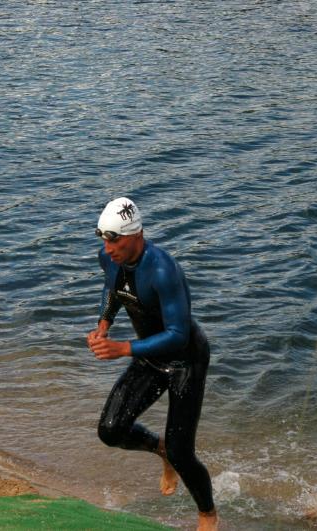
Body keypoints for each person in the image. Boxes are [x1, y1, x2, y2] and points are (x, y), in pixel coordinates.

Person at [86, 197, 218, 531]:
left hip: (186, 361)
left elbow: (178, 335)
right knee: (111, 430)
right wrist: (104, 323)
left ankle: (207, 515)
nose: (108, 248)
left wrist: (123, 349)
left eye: (114, 239)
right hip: (149, 356)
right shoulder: (109, 258)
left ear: (136, 235)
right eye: (104, 238)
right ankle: (160, 449)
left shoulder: (163, 270)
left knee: (182, 452)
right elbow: (112, 289)